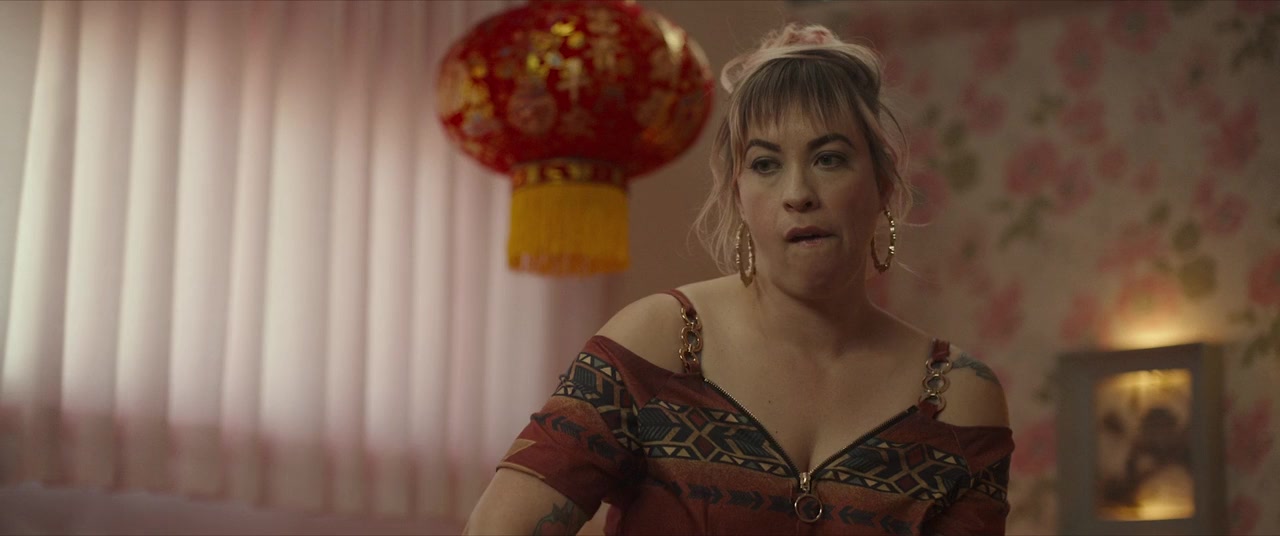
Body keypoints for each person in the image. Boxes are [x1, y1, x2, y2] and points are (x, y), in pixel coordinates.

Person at [466, 23, 1013, 534]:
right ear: (739, 194)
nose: (797, 194)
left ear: (882, 184)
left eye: (829, 158)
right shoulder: (659, 343)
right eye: (766, 164)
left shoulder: (957, 396)